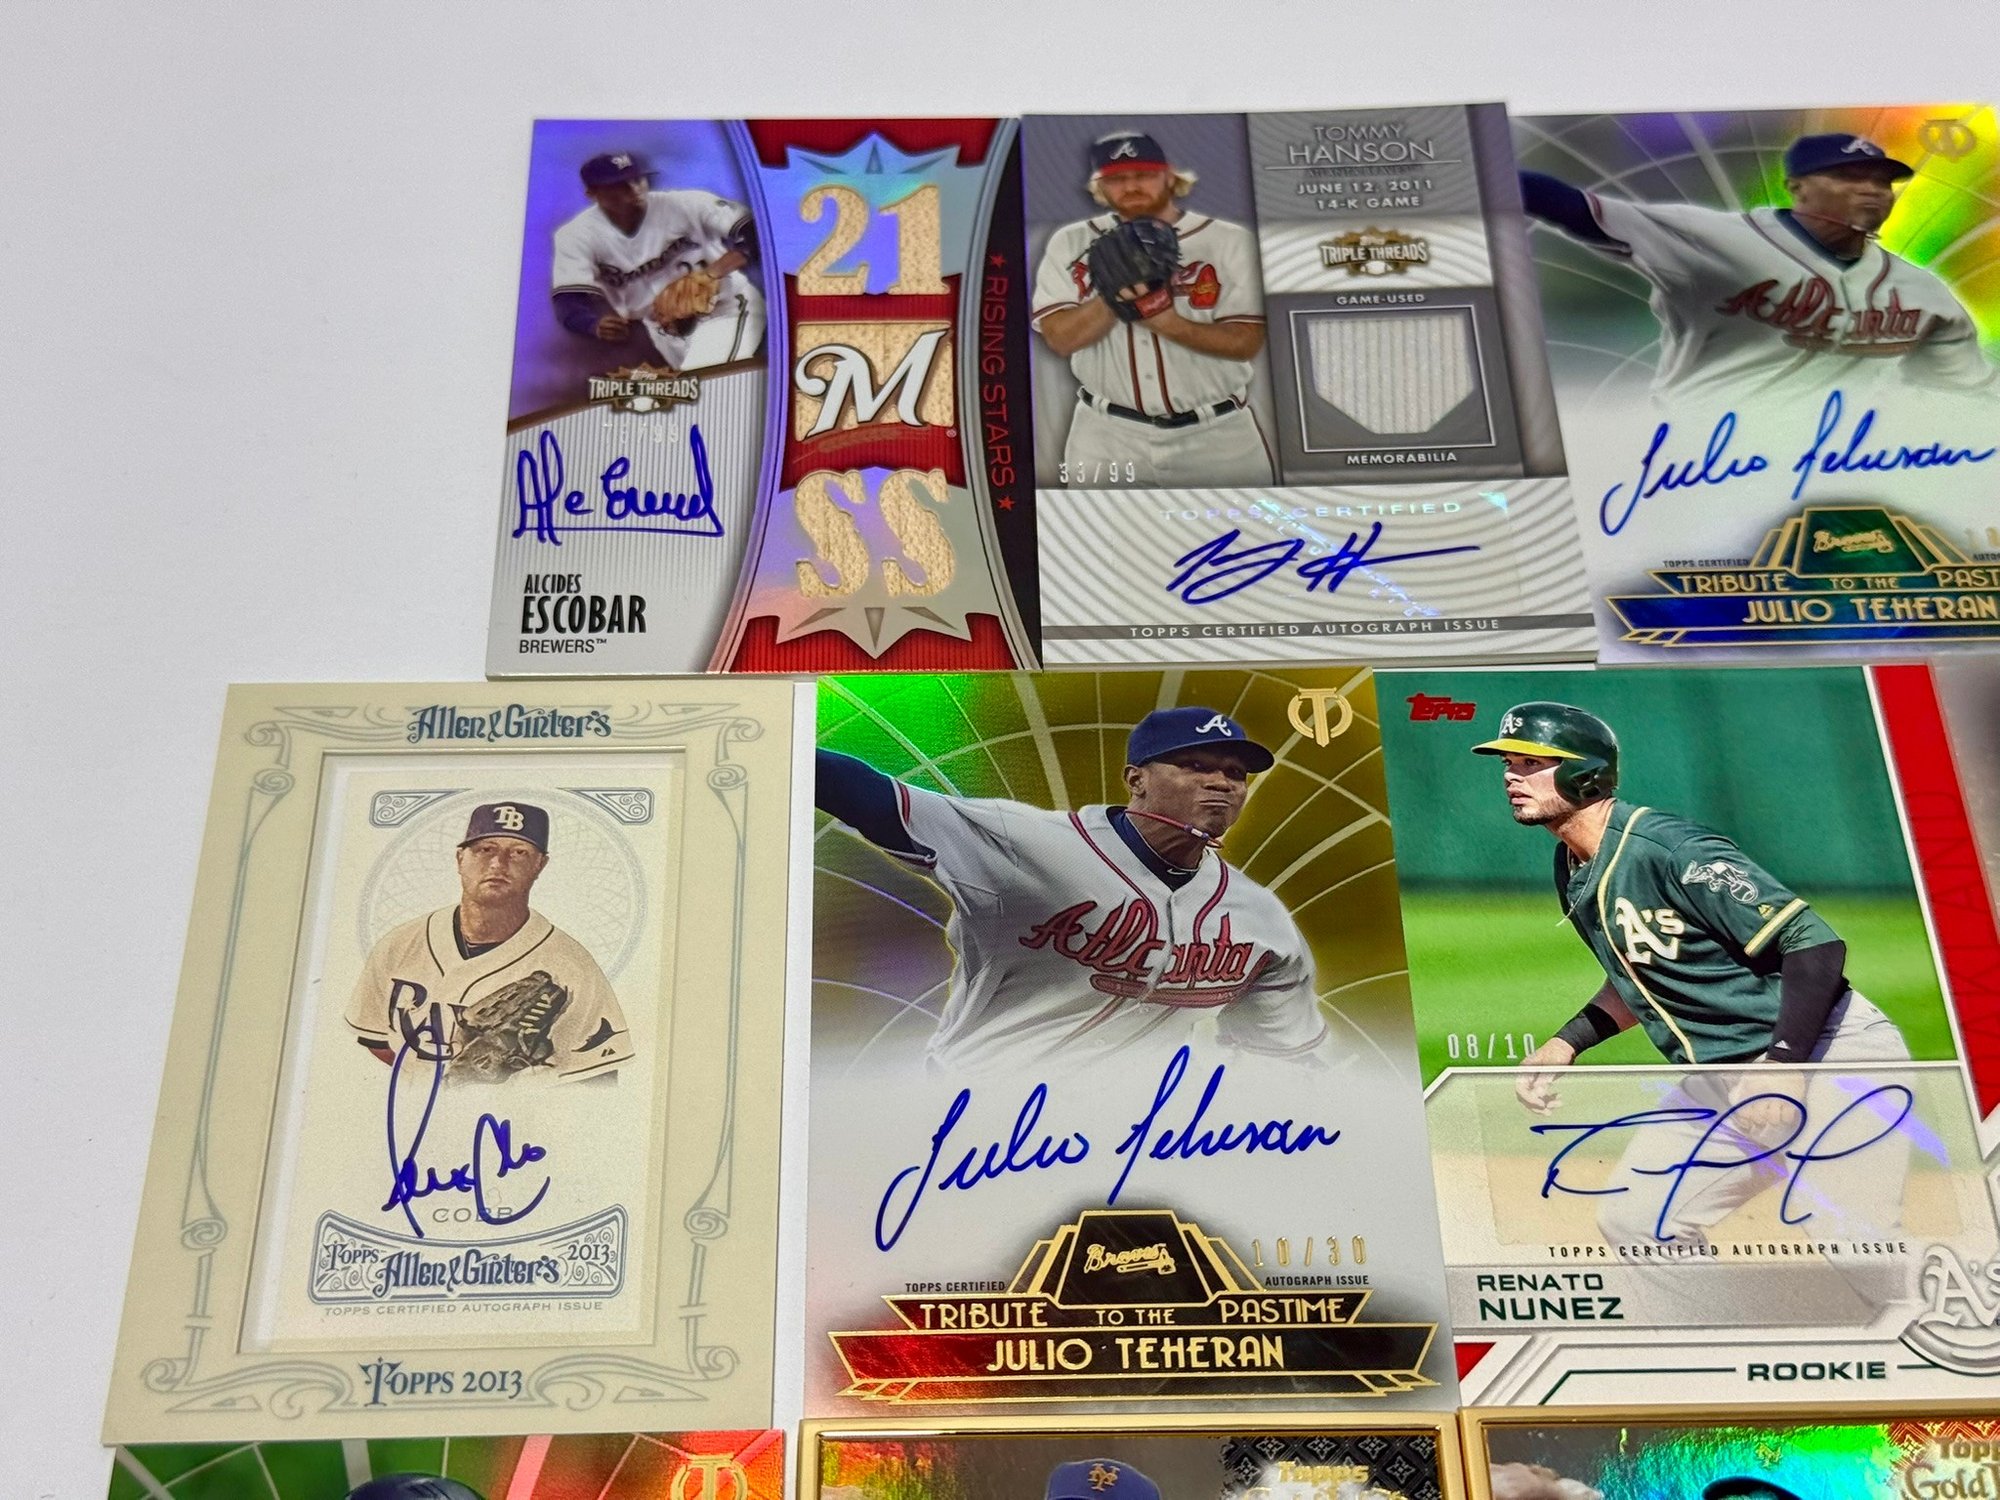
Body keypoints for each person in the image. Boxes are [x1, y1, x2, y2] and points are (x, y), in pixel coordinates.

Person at [1474, 701, 1911, 1250]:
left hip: (1824, 1053)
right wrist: (1567, 1042)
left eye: (1530, 762)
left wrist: (1783, 1065)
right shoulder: (1573, 863)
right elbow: (1644, 972)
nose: (1511, 776)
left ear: (1584, 772)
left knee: (1855, 1240)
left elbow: (1814, 944)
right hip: (1726, 1076)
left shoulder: (1672, 849)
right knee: (1637, 1222)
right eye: (1508, 764)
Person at [816, 706, 1331, 1072]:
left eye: (1235, 773)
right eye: (1195, 765)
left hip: (1133, 1137)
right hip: (974, 1109)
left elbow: (1286, 1055)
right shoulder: (1030, 842)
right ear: (1136, 779)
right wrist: (781, 739)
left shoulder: (1260, 918)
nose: (1221, 782)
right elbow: (869, 795)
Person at [1521, 133, 1993, 397]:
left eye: (1881, 182)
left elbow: (1969, 397)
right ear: (1798, 187)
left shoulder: (1923, 293)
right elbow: (1570, 206)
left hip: (1846, 468)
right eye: (1849, 176)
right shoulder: (1719, 239)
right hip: (1701, 462)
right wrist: (1482, 178)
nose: (1871, 190)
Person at [1032, 130, 1274, 487]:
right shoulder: (1071, 241)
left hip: (1219, 439)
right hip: (1105, 438)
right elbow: (1060, 339)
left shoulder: (1228, 240)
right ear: (1100, 187)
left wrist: (1165, 321)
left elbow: (1246, 342)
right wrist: (1114, 296)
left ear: (1171, 177)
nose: (1131, 186)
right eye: (1116, 179)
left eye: (1143, 174)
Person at [346, 801, 631, 1084]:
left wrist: (516, 1087)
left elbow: (598, 1077)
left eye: (518, 852)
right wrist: (447, 1084)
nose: (498, 864)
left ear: (540, 865)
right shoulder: (400, 944)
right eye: (485, 849)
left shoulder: (572, 967)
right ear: (460, 858)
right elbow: (374, 1041)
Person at [551, 151, 765, 373]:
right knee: (707, 390)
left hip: (725, 309)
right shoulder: (577, 236)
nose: (634, 188)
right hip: (663, 331)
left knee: (706, 381)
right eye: (619, 184)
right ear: (592, 193)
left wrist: (712, 273)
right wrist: (593, 324)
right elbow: (568, 301)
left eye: (637, 179)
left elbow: (759, 233)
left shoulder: (686, 203)